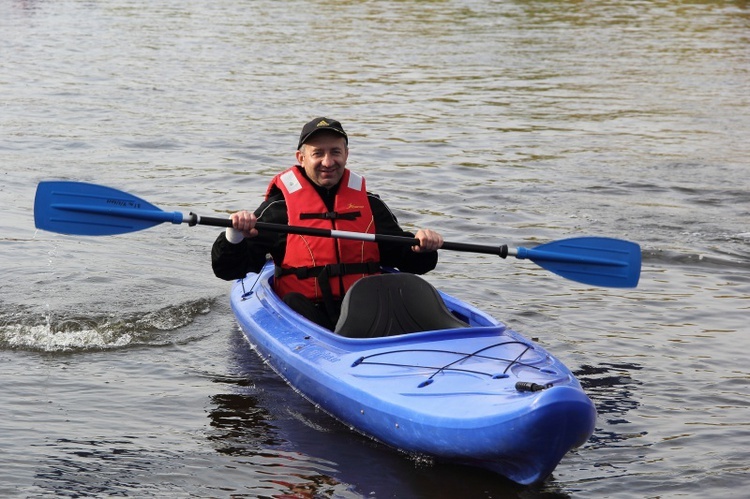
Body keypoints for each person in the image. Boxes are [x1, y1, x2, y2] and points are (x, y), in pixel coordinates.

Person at [211, 117, 443, 330]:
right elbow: (229, 269)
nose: (328, 162)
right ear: (301, 158)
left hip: (364, 312)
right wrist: (234, 235)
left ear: (346, 154)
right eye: (318, 153)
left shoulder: (371, 206)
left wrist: (422, 246)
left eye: (335, 152)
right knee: (293, 301)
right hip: (305, 316)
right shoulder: (278, 210)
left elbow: (410, 261)